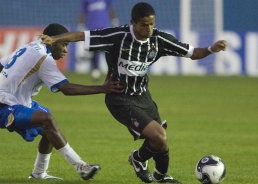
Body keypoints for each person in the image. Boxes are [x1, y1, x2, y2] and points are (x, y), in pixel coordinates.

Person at [40, 2, 227, 183]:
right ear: (134, 23)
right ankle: (138, 159)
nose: (149, 29)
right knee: (158, 135)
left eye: (152, 24)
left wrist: (211, 49)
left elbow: (193, 53)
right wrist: (56, 39)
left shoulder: (158, 40)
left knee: (160, 143)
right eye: (144, 25)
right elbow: (82, 35)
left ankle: (161, 177)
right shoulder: (117, 36)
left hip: (143, 96)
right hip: (119, 97)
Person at [0, 23, 123, 181]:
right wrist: (103, 88)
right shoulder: (44, 58)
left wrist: (12, 89)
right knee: (47, 120)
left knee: (48, 124)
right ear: (53, 41)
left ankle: (38, 173)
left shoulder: (29, 46)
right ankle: (81, 167)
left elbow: (1, 64)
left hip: (11, 103)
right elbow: (67, 89)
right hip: (3, 108)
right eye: (64, 44)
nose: (66, 50)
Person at [77, 0, 119, 80]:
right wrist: (81, 25)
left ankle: (113, 70)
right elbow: (83, 12)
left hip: (105, 28)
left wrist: (114, 20)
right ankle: (95, 71)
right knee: (94, 51)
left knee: (108, 50)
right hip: (92, 28)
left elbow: (111, 9)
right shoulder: (86, 1)